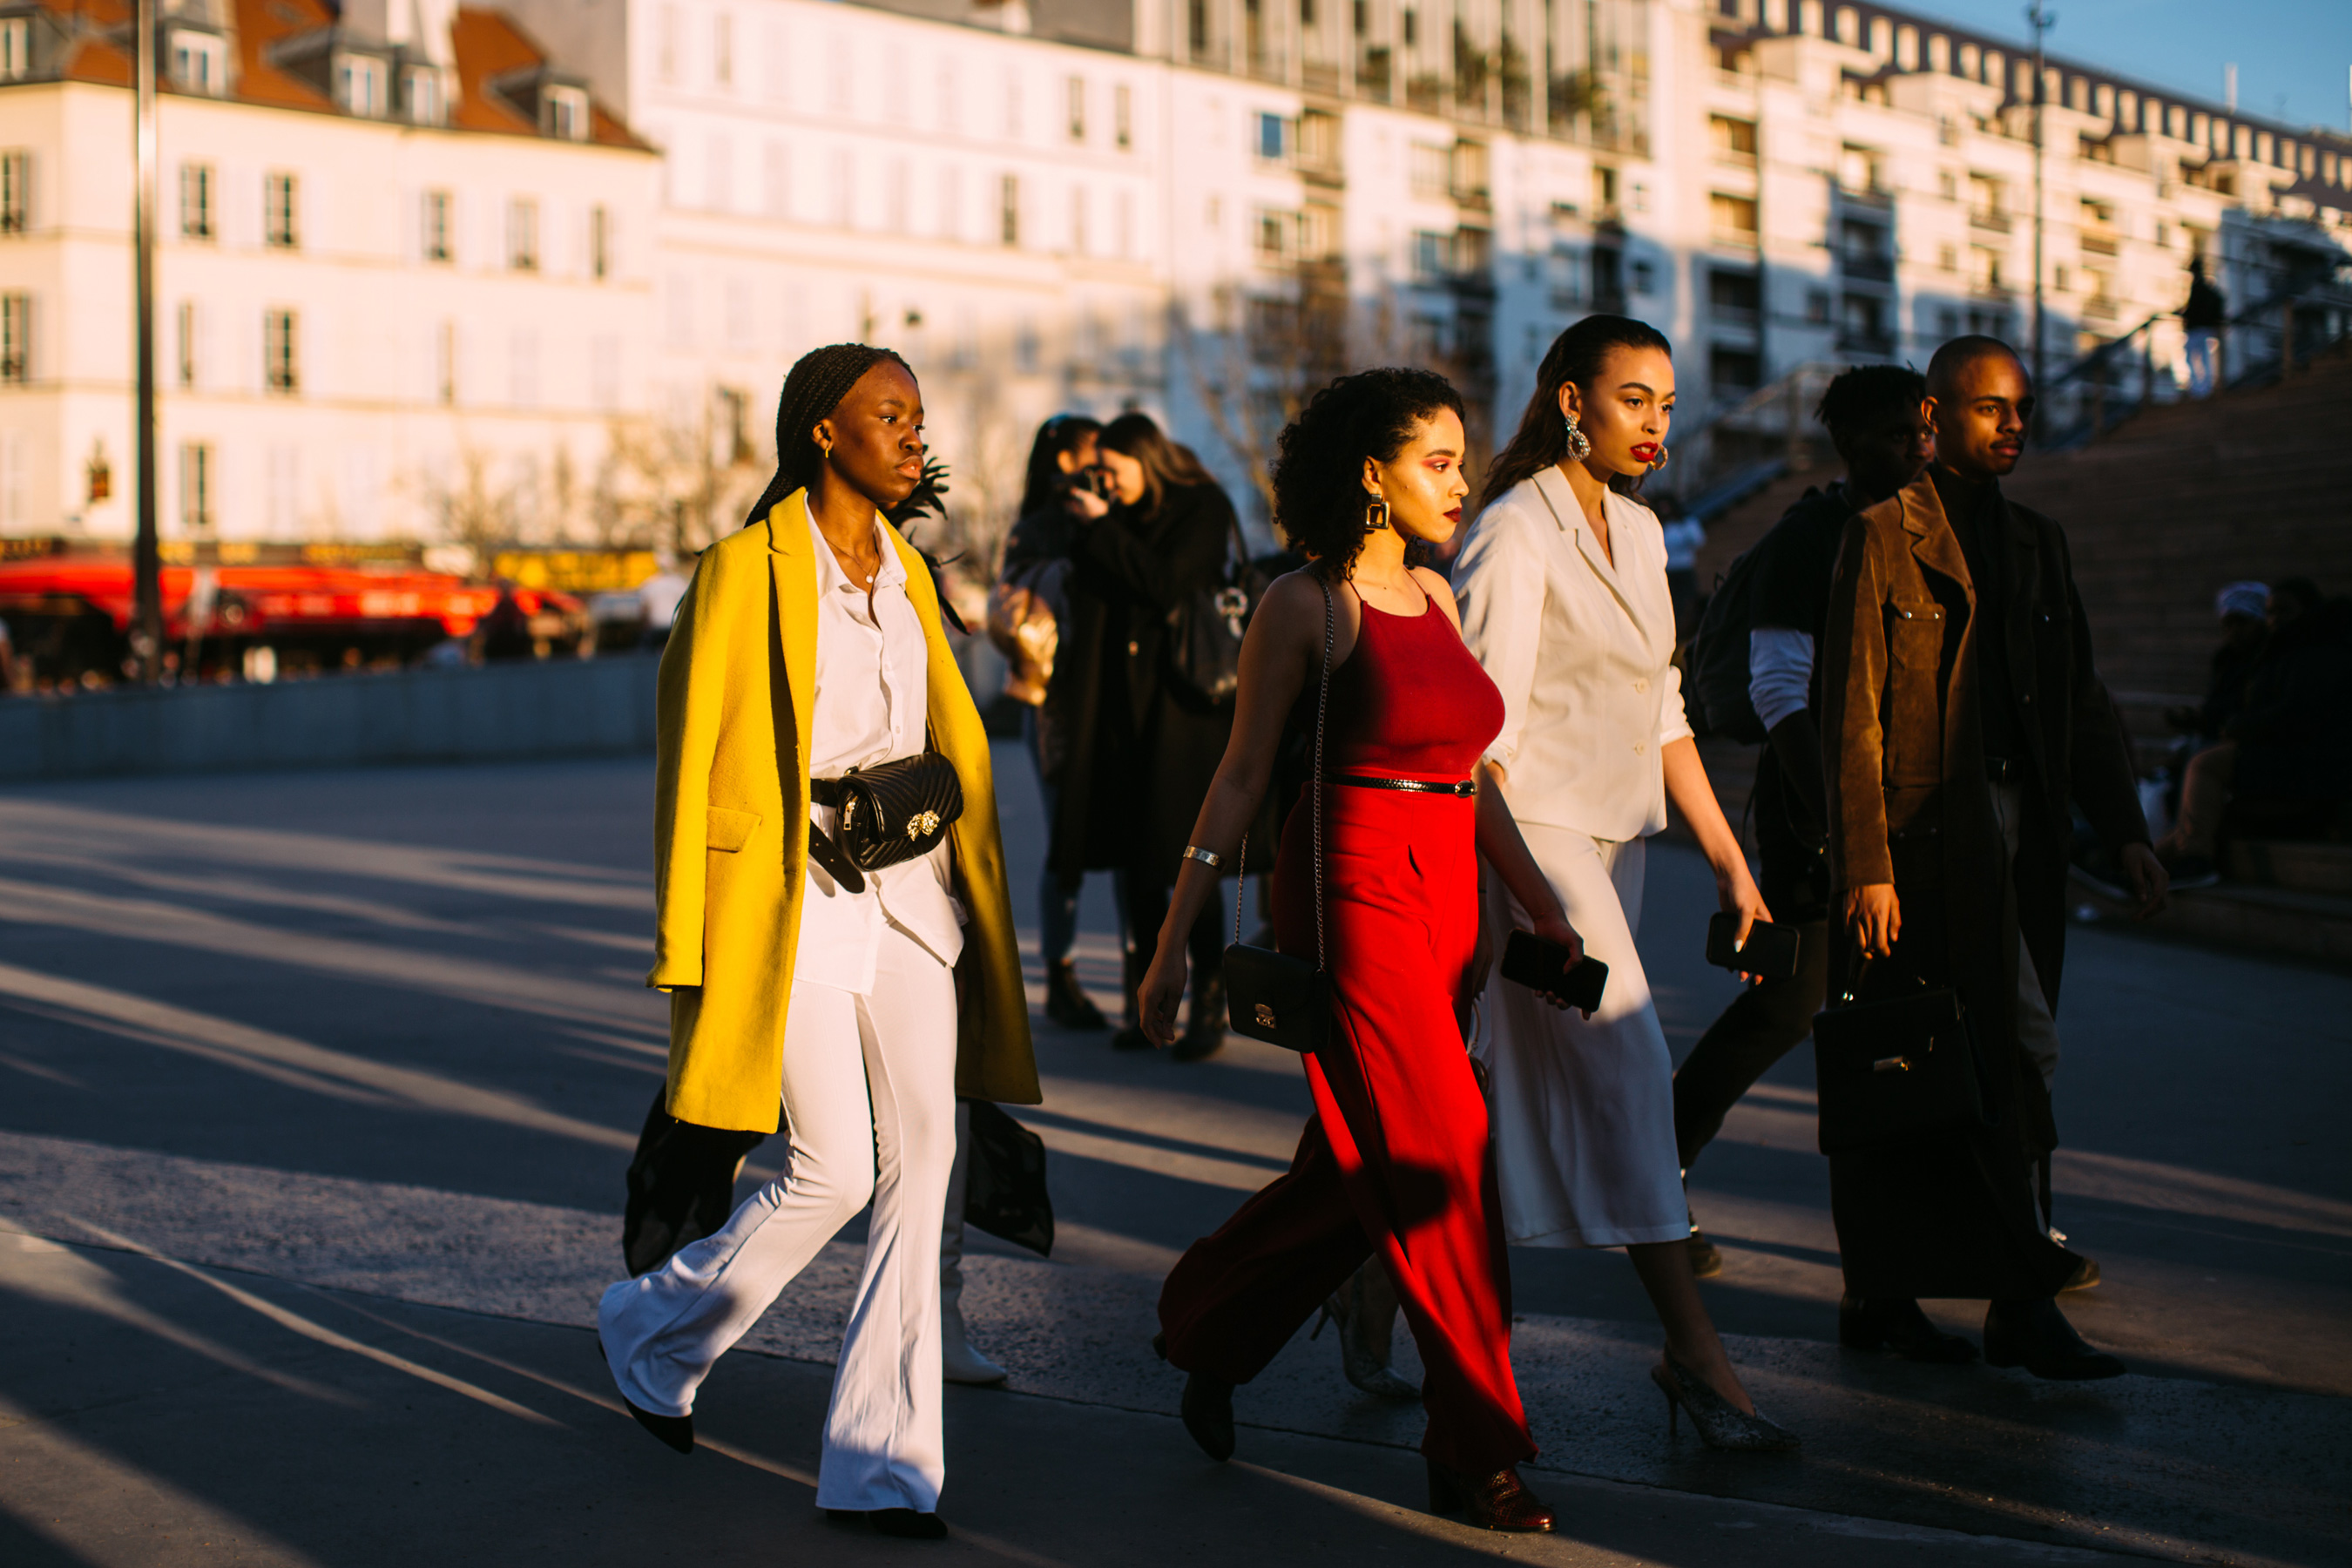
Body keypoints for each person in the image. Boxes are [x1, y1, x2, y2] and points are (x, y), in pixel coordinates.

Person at [595, 344, 1039, 1541]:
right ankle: (653, 1329)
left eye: (917, 417)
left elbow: (942, 729)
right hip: (795, 894)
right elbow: (689, 761)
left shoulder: (907, 570)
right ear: (821, 434)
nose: (912, 435)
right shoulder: (744, 570)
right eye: (887, 416)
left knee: (926, 1159)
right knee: (833, 1165)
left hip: (913, 893)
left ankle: (880, 1459)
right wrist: (684, 932)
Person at [1143, 368, 1578, 1532]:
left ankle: (1211, 1323)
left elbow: (1470, 778)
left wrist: (1537, 904)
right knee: (1449, 1159)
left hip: (1447, 901)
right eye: (1437, 460)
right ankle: (1475, 1443)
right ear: (1371, 476)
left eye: (1461, 457)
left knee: (1357, 1169)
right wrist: (1173, 940)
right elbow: (1240, 774)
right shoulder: (1307, 602)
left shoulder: (1436, 601)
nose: (1462, 479)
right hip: (1352, 892)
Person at [1452, 314, 1797, 1452]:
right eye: (1632, 398)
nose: (1656, 421)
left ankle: (1364, 1273)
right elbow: (1476, 749)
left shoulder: (1647, 536)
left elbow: (1662, 714)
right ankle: (1695, 1357)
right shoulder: (1513, 532)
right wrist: (1536, 903)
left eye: (1666, 400)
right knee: (1637, 1074)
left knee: (1499, 1096)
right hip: (1533, 840)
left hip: (1619, 842)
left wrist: (1732, 863)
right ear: (1570, 402)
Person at [1820, 335, 2165, 1382]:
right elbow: (1854, 716)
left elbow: (2085, 701)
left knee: (1983, 1063)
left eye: (2020, 409)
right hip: (1929, 843)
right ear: (1934, 418)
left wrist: (2131, 829)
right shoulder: (1879, 536)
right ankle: (2011, 1298)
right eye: (1989, 409)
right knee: (1963, 1057)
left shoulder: (2039, 542)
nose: (2013, 425)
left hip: (2027, 837)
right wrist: (1866, 864)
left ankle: (1921, 1294)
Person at [1673, 365, 1932, 1282]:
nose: (1918, 448)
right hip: (1816, 816)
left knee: (1914, 1024)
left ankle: (1969, 1228)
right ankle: (1654, 1174)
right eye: (1899, 434)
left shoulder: (1925, 532)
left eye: (1924, 431)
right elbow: (1781, 694)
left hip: (1909, 818)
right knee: (1787, 1005)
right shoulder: (1810, 536)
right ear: (1850, 443)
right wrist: (1841, 831)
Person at [1049, 411, 1244, 1059]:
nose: (1104, 479)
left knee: (1190, 859)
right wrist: (1090, 525)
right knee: (1133, 863)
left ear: (1145, 457)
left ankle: (1211, 1007)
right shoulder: (1110, 518)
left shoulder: (1201, 506)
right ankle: (1148, 1008)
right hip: (1118, 710)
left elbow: (1167, 586)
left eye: (1112, 467)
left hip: (1182, 713)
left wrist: (1103, 528)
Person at [995, 414, 1113, 1030]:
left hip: (1108, 695)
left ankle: (1128, 962)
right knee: (1064, 839)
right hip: (1056, 704)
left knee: (1122, 841)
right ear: (1064, 461)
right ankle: (1061, 974)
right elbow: (1009, 611)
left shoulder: (1110, 513)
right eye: (1094, 452)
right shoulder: (1041, 529)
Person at [2156, 578, 2352, 886]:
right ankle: (2140, 868)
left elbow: (2297, 714)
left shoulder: (2320, 653)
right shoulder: (2282, 651)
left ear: (2309, 610)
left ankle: (2194, 862)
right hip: (2285, 762)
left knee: (2206, 763)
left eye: (2284, 611)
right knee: (2201, 820)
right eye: (2270, 613)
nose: (2275, 620)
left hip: (2309, 768)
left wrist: (2238, 727)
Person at [2181, 256, 2226, 398]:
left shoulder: (2200, 288)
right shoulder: (2202, 287)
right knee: (2200, 357)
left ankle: (2201, 388)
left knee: (2198, 357)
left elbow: (2196, 309)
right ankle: (2201, 387)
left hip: (2199, 329)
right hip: (2201, 328)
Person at [636, 559, 690, 652]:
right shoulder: (679, 583)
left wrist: (644, 625)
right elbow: (685, 606)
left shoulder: (649, 583)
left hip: (655, 624)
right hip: (674, 624)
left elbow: (644, 609)